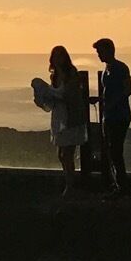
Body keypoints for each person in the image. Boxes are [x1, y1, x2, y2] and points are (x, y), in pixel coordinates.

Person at [35, 45, 89, 188]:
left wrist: (50, 93)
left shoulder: (72, 74)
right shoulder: (55, 76)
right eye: (56, 56)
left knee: (67, 154)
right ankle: (69, 182)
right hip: (59, 118)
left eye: (61, 56)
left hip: (71, 118)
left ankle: (70, 186)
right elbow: (54, 101)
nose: (58, 59)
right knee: (61, 154)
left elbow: (70, 96)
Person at [94, 37, 131, 192]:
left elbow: (128, 89)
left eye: (100, 51)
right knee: (111, 151)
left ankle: (121, 185)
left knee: (115, 151)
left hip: (119, 116)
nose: (98, 55)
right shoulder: (107, 69)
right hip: (109, 116)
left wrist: (112, 103)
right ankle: (117, 184)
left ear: (108, 50)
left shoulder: (120, 67)